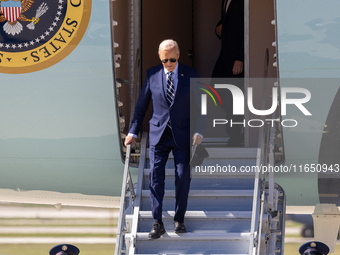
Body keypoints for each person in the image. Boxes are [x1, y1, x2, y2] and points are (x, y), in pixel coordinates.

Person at [125, 39, 203, 239]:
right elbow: (142, 105)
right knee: (155, 179)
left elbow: (201, 105)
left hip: (182, 134)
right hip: (159, 133)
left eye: (172, 59)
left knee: (182, 177)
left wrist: (199, 130)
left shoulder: (191, 74)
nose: (169, 63)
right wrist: (133, 131)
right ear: (160, 58)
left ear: (178, 55)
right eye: (165, 60)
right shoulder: (152, 74)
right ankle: (157, 222)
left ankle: (179, 220)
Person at [212, 0, 244, 147]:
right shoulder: (225, 1)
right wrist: (218, 30)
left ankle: (236, 136)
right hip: (225, 56)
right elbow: (225, 24)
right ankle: (237, 132)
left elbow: (246, 29)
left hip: (235, 59)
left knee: (234, 98)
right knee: (217, 87)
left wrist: (240, 59)